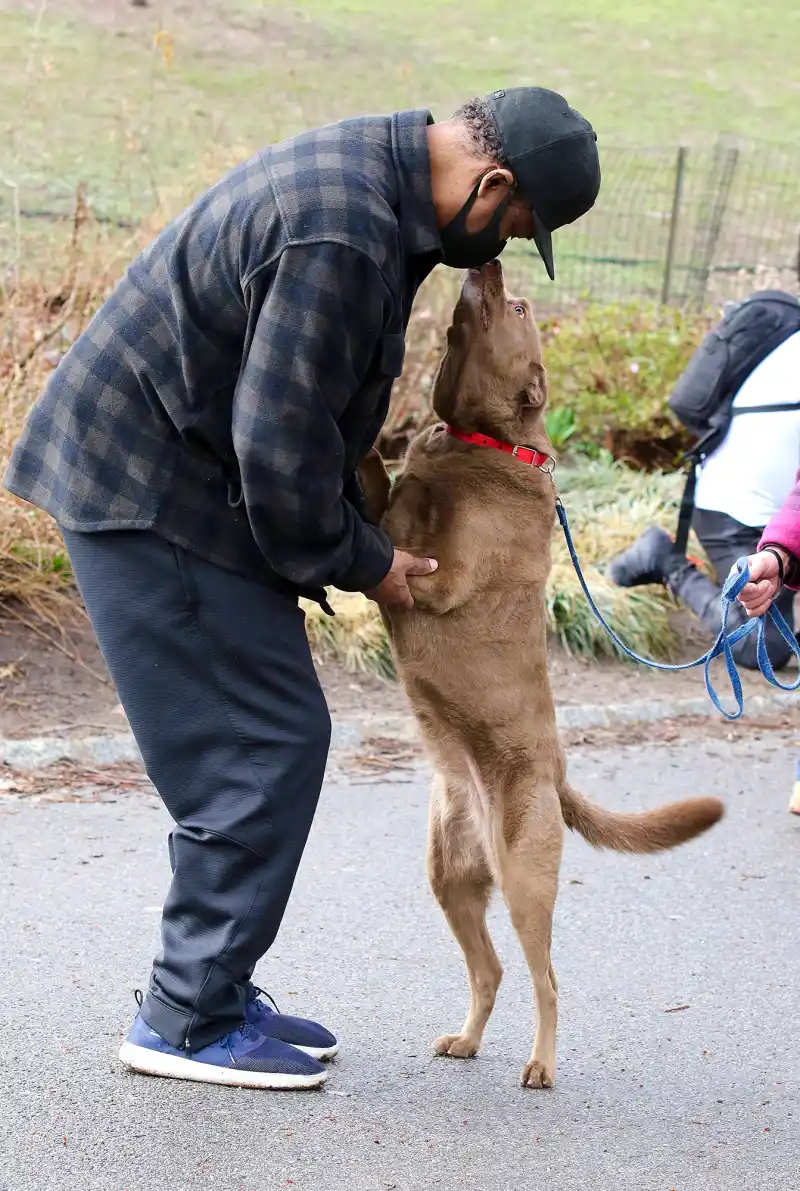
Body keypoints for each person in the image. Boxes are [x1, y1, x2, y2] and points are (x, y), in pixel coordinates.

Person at [4, 88, 600, 1090]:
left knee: (269, 729)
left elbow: (301, 400)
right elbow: (275, 444)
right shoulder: (347, 231)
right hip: (147, 486)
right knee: (259, 740)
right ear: (492, 182)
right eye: (511, 224)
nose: (496, 247)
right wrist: (366, 560)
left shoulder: (383, 186)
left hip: (181, 475)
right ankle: (184, 1016)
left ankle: (215, 990)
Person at [608, 328, 800, 669]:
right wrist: (781, 555)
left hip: (776, 513)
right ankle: (668, 560)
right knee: (763, 647)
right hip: (736, 507)